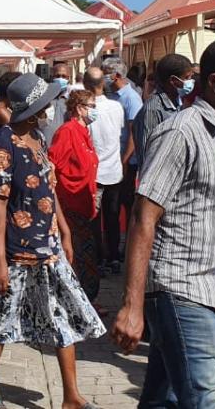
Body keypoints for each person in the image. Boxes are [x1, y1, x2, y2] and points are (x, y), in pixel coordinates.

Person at [112, 38, 215, 408]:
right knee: (204, 398)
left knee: (163, 394)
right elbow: (143, 215)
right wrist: (132, 305)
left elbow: (206, 196)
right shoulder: (181, 132)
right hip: (179, 287)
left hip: (210, 285)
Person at [0, 73, 105, 409]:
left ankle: (71, 396)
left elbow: (49, 189)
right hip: (18, 249)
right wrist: (0, 260)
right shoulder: (2, 143)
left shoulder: (37, 137)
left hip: (49, 245)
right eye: (45, 104)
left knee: (62, 315)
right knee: (3, 316)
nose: (51, 108)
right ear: (32, 109)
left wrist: (63, 230)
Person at [48, 89, 101, 303]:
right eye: (92, 106)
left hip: (85, 203)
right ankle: (78, 301)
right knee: (77, 255)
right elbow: (52, 164)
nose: (95, 111)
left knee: (85, 254)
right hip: (70, 203)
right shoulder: (68, 131)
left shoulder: (84, 131)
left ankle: (84, 300)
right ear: (79, 109)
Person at [103, 56, 144, 275]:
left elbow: (133, 134)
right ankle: (112, 251)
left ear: (116, 75)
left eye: (106, 73)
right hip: (112, 160)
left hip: (125, 162)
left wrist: (125, 161)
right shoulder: (110, 95)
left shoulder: (131, 98)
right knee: (111, 208)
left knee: (124, 205)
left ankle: (127, 249)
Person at [82, 67, 124, 272]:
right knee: (113, 217)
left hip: (95, 173)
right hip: (114, 170)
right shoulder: (117, 107)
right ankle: (114, 256)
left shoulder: (86, 111)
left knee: (94, 219)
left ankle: (99, 258)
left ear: (86, 85)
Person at [132, 53, 195, 159]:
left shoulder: (178, 102)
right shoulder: (153, 110)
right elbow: (147, 153)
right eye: (187, 77)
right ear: (173, 81)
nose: (190, 82)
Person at [41, 62, 72, 145]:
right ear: (52, 77)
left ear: (69, 79)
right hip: (46, 147)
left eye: (64, 76)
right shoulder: (43, 99)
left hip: (65, 147)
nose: (60, 79)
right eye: (57, 76)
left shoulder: (72, 100)